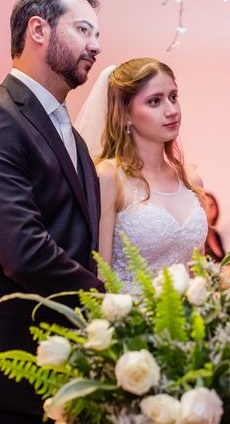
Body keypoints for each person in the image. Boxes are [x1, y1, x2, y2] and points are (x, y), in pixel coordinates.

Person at [0, 0, 105, 424]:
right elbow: (21, 247)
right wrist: (107, 302)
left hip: (65, 358)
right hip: (10, 360)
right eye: (83, 30)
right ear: (38, 30)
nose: (97, 45)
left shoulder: (73, 136)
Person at [78, 58, 208, 291]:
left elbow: (201, 274)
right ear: (125, 113)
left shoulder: (190, 180)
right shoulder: (109, 177)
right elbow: (101, 274)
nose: (171, 110)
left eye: (173, 97)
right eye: (155, 101)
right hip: (132, 321)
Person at [204, 191, 225, 261]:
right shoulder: (200, 238)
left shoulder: (216, 235)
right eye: (206, 205)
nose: (209, 208)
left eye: (212, 205)